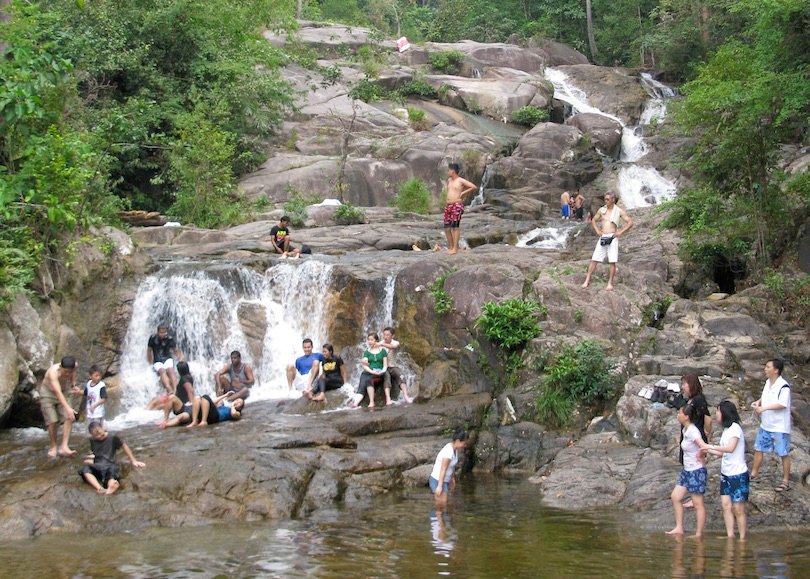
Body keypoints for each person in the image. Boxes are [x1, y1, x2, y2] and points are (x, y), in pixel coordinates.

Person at [705, 401, 749, 540]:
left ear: (725, 413)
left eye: (718, 411)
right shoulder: (726, 431)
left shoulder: (735, 429)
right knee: (726, 505)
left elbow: (730, 448)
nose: (716, 414)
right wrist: (707, 450)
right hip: (726, 474)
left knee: (738, 509)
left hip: (738, 474)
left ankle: (742, 538)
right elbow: (723, 452)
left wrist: (711, 445)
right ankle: (730, 535)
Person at [750, 359, 792, 492]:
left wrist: (764, 408)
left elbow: (782, 404)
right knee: (759, 448)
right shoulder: (768, 382)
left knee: (783, 453)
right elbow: (765, 397)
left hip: (779, 426)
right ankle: (754, 474)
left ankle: (785, 481)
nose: (765, 369)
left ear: (776, 370)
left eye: (768, 367)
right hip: (766, 424)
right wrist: (758, 402)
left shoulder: (783, 386)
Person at [666, 403, 707, 538]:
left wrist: (701, 455)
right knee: (675, 496)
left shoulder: (693, 431)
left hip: (696, 471)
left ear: (687, 417)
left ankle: (698, 533)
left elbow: (703, 445)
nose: (678, 415)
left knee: (697, 503)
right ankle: (679, 527)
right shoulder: (685, 430)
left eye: (680, 413)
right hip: (687, 470)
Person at [581, 192, 633, 291]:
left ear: (613, 200)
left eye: (608, 199)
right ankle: (587, 280)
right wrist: (597, 230)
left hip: (613, 237)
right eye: (605, 199)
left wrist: (620, 232)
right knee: (594, 259)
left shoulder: (619, 211)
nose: (606, 201)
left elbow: (630, 222)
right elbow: (593, 220)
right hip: (603, 236)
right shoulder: (602, 210)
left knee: (612, 261)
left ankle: (610, 283)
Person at [78, 421, 145, 495]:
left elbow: (124, 446)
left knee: (110, 474)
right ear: (92, 435)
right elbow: (96, 453)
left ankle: (112, 485)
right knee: (85, 469)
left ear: (102, 427)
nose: (99, 436)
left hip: (110, 465)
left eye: (100, 433)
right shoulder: (92, 440)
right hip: (98, 466)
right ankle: (99, 488)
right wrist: (91, 459)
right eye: (96, 435)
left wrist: (133, 461)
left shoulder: (112, 437)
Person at [38, 356, 83, 458]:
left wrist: (73, 384)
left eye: (69, 372)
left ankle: (64, 446)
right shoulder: (53, 373)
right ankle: (53, 447)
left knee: (69, 417)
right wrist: (68, 408)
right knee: (52, 420)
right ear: (60, 368)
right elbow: (58, 393)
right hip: (48, 393)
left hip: (64, 390)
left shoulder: (74, 366)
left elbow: (73, 373)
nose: (67, 374)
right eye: (65, 372)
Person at [679, 373, 712, 510]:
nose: (683, 387)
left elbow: (708, 419)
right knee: (688, 463)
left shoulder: (699, 400)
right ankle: (694, 496)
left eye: (685, 384)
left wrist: (707, 433)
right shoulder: (690, 399)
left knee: (697, 465)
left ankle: (697, 496)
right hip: (688, 435)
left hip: (696, 437)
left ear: (691, 385)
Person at [444, 162, 477, 255]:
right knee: (446, 228)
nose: (447, 172)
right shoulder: (449, 180)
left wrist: (463, 193)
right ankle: (451, 246)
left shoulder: (460, 180)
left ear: (453, 171)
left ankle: (455, 248)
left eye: (448, 170)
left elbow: (473, 186)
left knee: (455, 226)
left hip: (457, 205)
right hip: (448, 205)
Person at [429, 429, 469, 506]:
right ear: (457, 441)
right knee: (441, 505)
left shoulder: (454, 450)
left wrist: (451, 479)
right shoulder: (448, 452)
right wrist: (439, 486)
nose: (465, 446)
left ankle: (441, 517)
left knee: (445, 504)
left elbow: (451, 467)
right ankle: (436, 517)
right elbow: (443, 469)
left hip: (444, 481)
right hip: (437, 480)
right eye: (464, 443)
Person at [353, 333, 389, 408]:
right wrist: (366, 364)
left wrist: (382, 371)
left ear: (376, 340)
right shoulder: (366, 352)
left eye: (372, 340)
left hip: (380, 373)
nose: (369, 341)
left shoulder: (383, 351)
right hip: (369, 372)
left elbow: (385, 365)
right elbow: (365, 364)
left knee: (368, 379)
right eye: (368, 340)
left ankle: (372, 402)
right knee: (362, 385)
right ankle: (355, 403)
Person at [380, 327, 413, 404]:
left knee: (401, 375)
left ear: (392, 336)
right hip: (383, 367)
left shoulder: (395, 343)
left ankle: (406, 396)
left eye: (388, 335)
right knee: (387, 378)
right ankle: (388, 399)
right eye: (384, 334)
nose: (385, 337)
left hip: (393, 366)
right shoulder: (380, 343)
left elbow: (394, 347)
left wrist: (382, 344)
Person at [147, 325, 183, 395]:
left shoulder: (169, 338)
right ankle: (169, 389)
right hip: (157, 360)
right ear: (157, 332)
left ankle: (176, 388)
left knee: (170, 370)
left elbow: (175, 350)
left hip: (167, 358)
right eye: (161, 333)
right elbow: (149, 350)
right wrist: (150, 362)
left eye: (164, 332)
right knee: (162, 371)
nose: (163, 334)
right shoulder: (153, 338)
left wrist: (180, 358)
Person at [157, 361, 195, 428]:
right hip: (184, 406)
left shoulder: (184, 379)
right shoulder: (189, 377)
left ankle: (165, 420)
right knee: (160, 403)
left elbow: (190, 391)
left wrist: (192, 405)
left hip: (184, 407)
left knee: (171, 398)